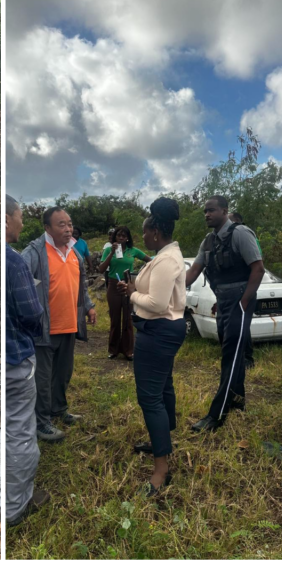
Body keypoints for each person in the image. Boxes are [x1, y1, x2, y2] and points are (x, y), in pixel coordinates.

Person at [117, 197, 186, 496]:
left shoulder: (167, 259)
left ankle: (161, 470)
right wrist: (134, 290)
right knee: (163, 387)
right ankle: (162, 441)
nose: (142, 237)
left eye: (145, 232)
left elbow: (157, 304)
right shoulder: (164, 256)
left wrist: (132, 294)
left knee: (150, 397)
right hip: (162, 330)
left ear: (156, 231)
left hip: (158, 331)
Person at [185, 196, 264, 432]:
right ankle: (238, 400)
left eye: (211, 210)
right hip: (222, 299)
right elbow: (192, 274)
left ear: (225, 211)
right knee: (232, 351)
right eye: (205, 211)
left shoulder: (241, 233)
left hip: (240, 299)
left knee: (230, 355)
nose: (207, 215)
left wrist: (244, 302)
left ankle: (216, 415)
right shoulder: (208, 241)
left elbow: (258, 268)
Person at [22, 207, 97, 442]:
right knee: (42, 379)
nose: (68, 229)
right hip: (44, 329)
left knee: (63, 374)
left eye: (70, 224)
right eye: (61, 225)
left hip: (69, 326)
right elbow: (21, 287)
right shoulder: (34, 253)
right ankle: (41, 422)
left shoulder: (74, 252)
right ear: (47, 228)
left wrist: (89, 305)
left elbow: (81, 284)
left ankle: (59, 410)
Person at [4, 195, 48, 525]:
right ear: (6, 219)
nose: (22, 223)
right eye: (19, 217)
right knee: (19, 430)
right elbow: (32, 312)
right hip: (16, 358)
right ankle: (15, 506)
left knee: (6, 427)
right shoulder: (15, 261)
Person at [98, 226, 151, 360]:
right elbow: (101, 268)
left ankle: (128, 351)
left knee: (128, 318)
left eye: (123, 236)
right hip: (113, 285)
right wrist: (111, 253)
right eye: (118, 235)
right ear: (115, 237)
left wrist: (141, 277)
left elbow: (150, 261)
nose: (121, 238)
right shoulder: (109, 250)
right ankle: (113, 349)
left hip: (128, 285)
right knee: (115, 319)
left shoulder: (133, 251)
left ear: (127, 238)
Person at [228, 211, 259, 369]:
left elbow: (257, 264)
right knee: (240, 325)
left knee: (244, 325)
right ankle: (240, 356)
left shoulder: (245, 235)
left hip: (245, 287)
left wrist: (246, 297)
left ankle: (248, 358)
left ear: (237, 221)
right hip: (238, 287)